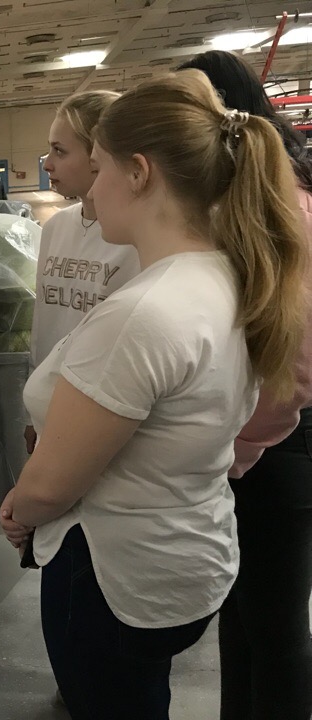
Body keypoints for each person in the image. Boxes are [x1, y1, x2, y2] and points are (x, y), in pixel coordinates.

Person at [0, 70, 308, 719]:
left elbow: (52, 487)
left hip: (115, 573)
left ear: (139, 173)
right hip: (182, 557)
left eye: (100, 168)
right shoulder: (225, 276)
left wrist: (20, 507)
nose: (91, 190)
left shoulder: (143, 313)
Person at [178, 49, 312, 720]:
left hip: (274, 444)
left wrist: (235, 452)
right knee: (242, 619)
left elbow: (294, 361)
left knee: (276, 630)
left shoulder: (282, 209)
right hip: (247, 443)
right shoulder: (231, 204)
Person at [24, 90, 140, 454]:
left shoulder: (134, 239)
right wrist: (32, 413)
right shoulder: (56, 227)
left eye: (60, 151)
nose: (47, 164)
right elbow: (44, 325)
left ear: (97, 157)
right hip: (48, 403)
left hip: (102, 414)